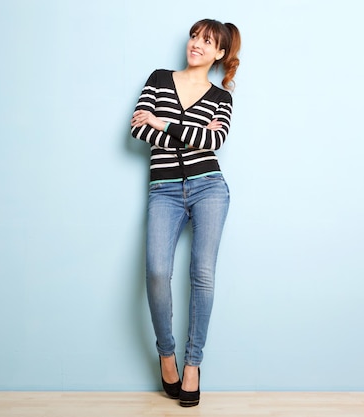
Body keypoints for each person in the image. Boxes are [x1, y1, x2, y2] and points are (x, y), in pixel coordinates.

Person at [130, 19, 241, 407]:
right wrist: (182, 128)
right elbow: (138, 131)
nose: (196, 44)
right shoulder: (159, 79)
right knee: (158, 271)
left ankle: (193, 364)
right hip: (164, 189)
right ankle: (167, 353)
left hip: (209, 187)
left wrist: (162, 121)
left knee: (203, 274)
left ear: (219, 53)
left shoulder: (221, 97)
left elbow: (214, 140)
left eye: (206, 41)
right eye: (195, 37)